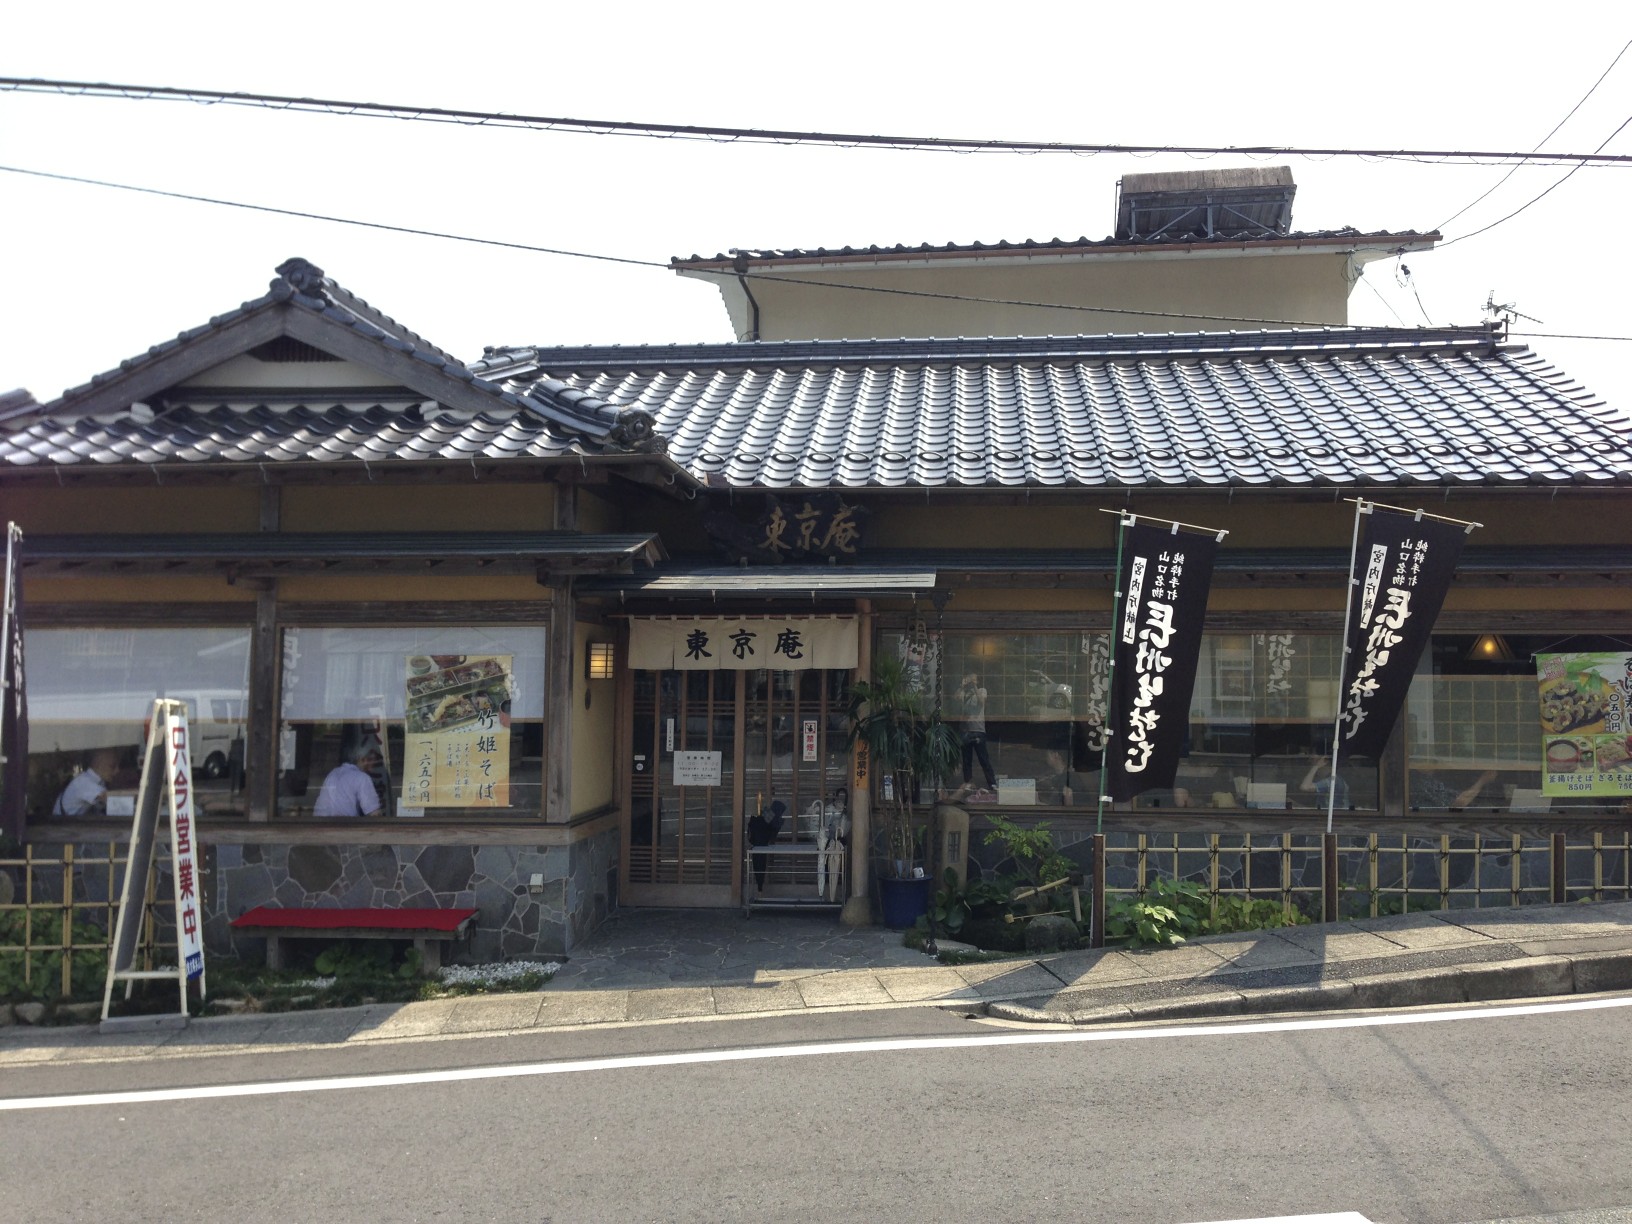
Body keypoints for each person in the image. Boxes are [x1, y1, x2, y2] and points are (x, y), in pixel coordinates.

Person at [313, 743, 383, 818]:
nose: (374, 764)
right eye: (371, 759)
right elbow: (374, 814)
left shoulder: (333, 773)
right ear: (361, 759)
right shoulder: (362, 778)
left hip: (318, 824)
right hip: (345, 826)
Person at [955, 673, 997, 794]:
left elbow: (981, 702)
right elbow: (956, 698)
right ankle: (968, 782)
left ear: (977, 681)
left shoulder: (982, 690)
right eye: (969, 679)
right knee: (966, 759)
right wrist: (962, 686)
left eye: (973, 679)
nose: (971, 681)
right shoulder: (963, 692)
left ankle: (992, 783)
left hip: (978, 729)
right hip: (965, 729)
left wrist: (974, 687)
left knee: (983, 758)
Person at [53, 748, 120, 816]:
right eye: (112, 766)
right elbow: (112, 799)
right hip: (62, 824)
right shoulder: (83, 782)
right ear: (98, 764)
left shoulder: (99, 782)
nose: (117, 771)